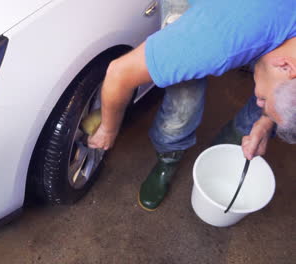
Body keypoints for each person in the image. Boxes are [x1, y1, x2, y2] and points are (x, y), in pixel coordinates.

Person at [87, 0, 296, 211]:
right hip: (227, 20)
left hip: (263, 19)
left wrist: (266, 121)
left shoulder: (279, 54)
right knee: (185, 99)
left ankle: (226, 151)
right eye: (263, 100)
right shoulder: (218, 41)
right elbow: (119, 73)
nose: (259, 101)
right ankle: (169, 157)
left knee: (266, 110)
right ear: (286, 66)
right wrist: (108, 128)